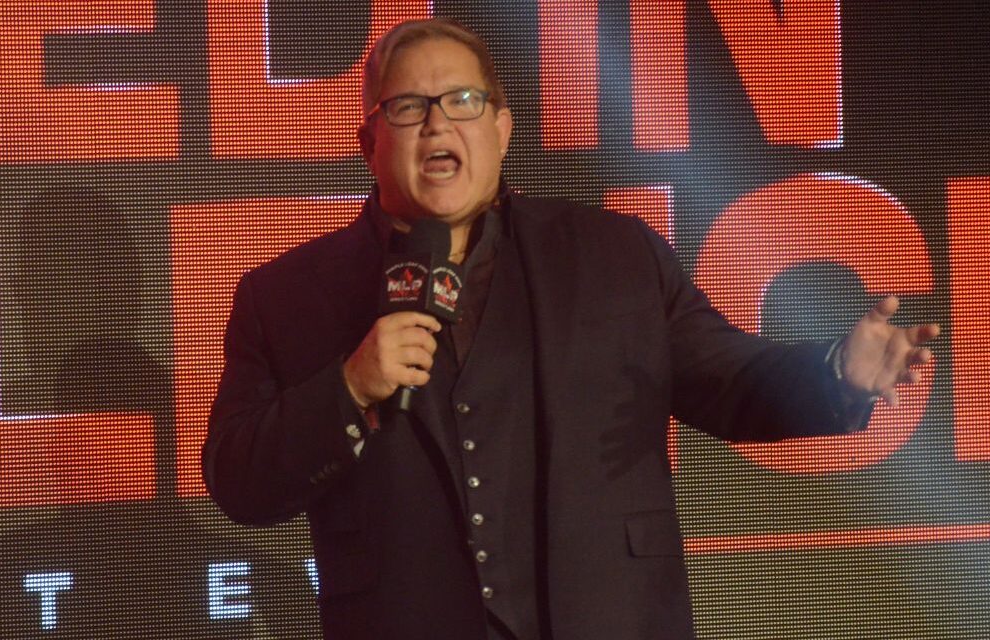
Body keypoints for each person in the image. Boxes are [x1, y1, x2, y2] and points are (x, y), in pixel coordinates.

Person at [203, 18, 939, 640]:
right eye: (408, 107)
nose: (437, 123)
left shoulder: (612, 254)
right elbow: (239, 481)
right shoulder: (285, 295)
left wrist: (835, 370)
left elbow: (728, 378)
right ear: (369, 140)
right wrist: (350, 386)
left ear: (500, 128)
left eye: (462, 101)